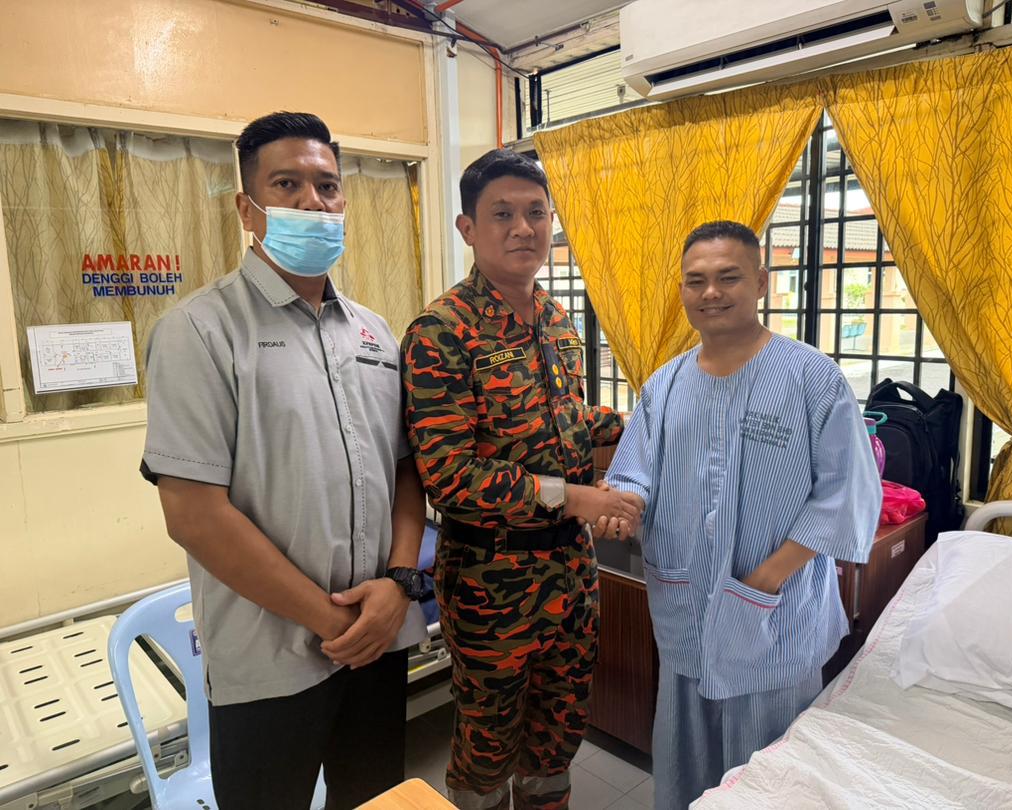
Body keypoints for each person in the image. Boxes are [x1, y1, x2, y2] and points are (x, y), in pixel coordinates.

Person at [140, 111, 428, 810]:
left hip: (377, 639)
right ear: (249, 209)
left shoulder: (373, 332)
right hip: (268, 659)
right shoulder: (201, 331)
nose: (313, 202)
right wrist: (333, 622)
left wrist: (398, 583)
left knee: (374, 800)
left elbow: (403, 469)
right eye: (287, 184)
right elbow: (194, 516)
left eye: (327, 186)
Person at [604, 220, 882, 810]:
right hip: (686, 609)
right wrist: (621, 507)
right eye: (695, 280)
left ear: (759, 282)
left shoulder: (811, 378)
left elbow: (847, 495)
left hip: (775, 618)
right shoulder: (663, 386)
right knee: (686, 763)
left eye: (728, 277)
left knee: (769, 776)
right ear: (682, 291)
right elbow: (632, 475)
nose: (711, 292)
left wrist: (762, 582)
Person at [400, 149, 640, 810]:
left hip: (571, 572)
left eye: (536, 212)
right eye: (502, 214)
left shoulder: (558, 321)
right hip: (490, 580)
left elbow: (568, 419)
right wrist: (573, 497)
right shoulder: (441, 332)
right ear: (467, 228)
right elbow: (449, 476)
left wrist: (641, 425)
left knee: (559, 735)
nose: (523, 228)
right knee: (488, 746)